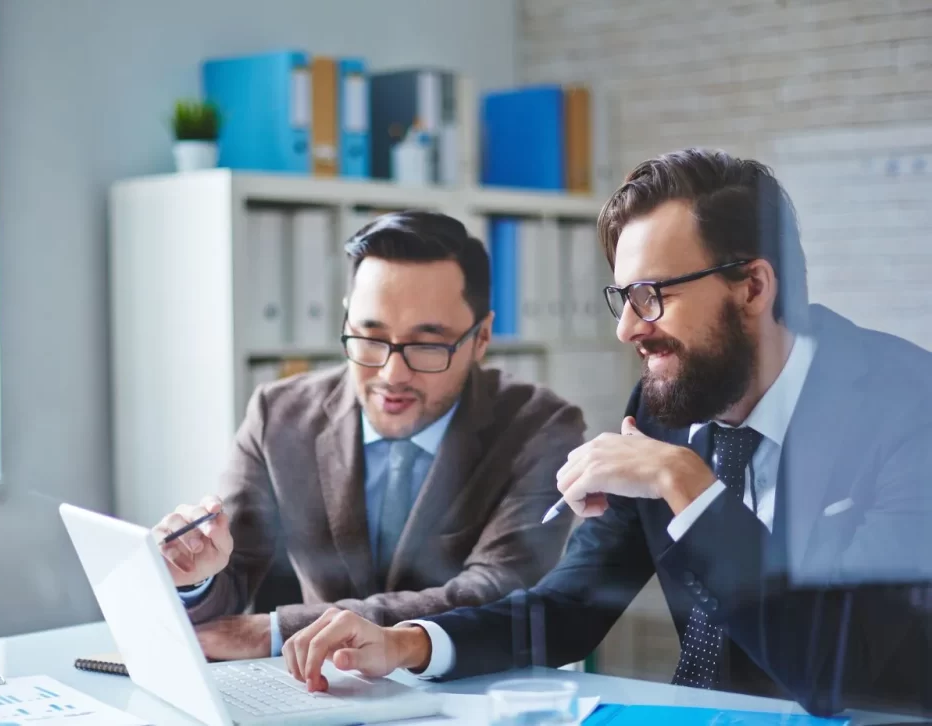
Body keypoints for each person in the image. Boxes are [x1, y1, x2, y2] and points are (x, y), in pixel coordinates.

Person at [279, 149, 932, 717]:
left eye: (653, 295)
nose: (628, 330)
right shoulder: (665, 409)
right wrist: (408, 643)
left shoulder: (907, 406)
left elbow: (835, 669)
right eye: (623, 299)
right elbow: (567, 609)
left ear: (753, 287)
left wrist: (685, 483)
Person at [153, 209, 586, 662]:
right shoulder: (278, 415)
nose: (391, 374)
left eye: (427, 345)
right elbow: (232, 576)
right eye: (370, 338)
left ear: (481, 338)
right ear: (346, 322)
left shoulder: (541, 427)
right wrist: (194, 574)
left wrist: (280, 630)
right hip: (319, 693)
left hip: (470, 694)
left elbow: (496, 592)